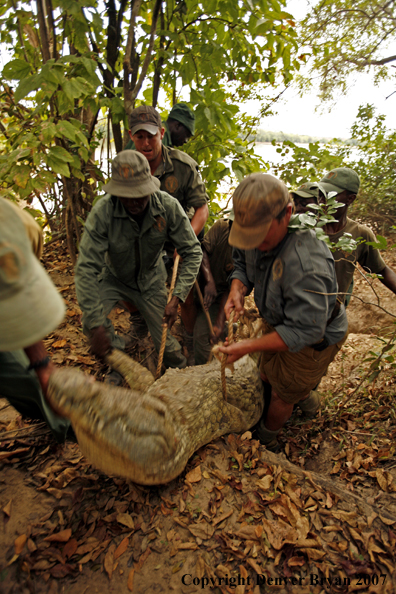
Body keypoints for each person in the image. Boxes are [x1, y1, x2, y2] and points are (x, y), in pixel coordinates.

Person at [218, 174, 348, 451]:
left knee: (281, 393)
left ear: (287, 213)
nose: (254, 242)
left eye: (260, 235)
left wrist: (247, 346)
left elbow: (306, 330)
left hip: (314, 336)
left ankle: (268, 439)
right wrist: (237, 290)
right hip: (279, 320)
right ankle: (307, 397)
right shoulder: (253, 230)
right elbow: (241, 261)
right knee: (268, 373)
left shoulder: (307, 261)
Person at [74, 150, 202, 374]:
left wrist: (177, 298)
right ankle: (120, 363)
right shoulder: (103, 212)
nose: (133, 201)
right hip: (112, 277)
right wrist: (96, 325)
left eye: (139, 194)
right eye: (126, 195)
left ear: (151, 186)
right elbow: (86, 269)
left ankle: (182, 374)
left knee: (167, 346)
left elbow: (192, 251)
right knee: (92, 325)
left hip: (150, 280)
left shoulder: (167, 207)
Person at [128, 104, 209, 350]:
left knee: (185, 292)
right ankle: (138, 322)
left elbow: (202, 209)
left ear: (162, 133)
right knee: (121, 274)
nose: (145, 144)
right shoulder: (127, 167)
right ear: (132, 137)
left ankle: (189, 339)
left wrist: (186, 242)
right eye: (139, 137)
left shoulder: (183, 166)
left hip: (179, 237)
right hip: (145, 237)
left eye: (151, 136)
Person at [0, 198, 70, 442]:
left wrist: (42, 365)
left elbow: (17, 296)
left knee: (29, 381)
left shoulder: (20, 227)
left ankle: (74, 429)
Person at [319, 167, 396, 304]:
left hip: (333, 313)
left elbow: (382, 271)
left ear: (350, 199)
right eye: (321, 193)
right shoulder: (307, 227)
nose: (322, 200)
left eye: (330, 195)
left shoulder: (359, 234)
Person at [193, 210, 234, 365]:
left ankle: (207, 371)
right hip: (201, 284)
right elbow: (202, 250)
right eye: (232, 224)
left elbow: (232, 289)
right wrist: (209, 282)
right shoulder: (221, 227)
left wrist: (219, 322)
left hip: (221, 297)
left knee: (207, 336)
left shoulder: (252, 249)